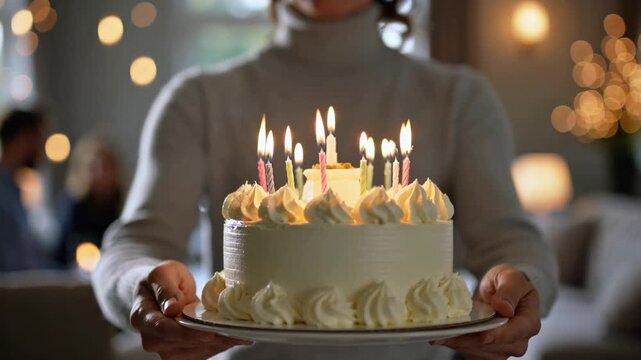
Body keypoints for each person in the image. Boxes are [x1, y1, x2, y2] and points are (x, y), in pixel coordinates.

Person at [92, 0, 559, 359]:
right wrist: (140, 286)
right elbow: (133, 246)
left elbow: (512, 246)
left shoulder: (461, 100)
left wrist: (522, 286)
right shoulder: (198, 99)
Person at [56, 135, 123, 267]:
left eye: (107, 167)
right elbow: (63, 252)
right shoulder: (75, 208)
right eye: (97, 168)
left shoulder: (121, 206)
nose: (103, 174)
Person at [0, 109, 48, 271]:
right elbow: (16, 264)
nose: (42, 148)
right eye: (39, 138)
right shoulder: (4, 196)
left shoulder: (13, 191)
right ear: (23, 139)